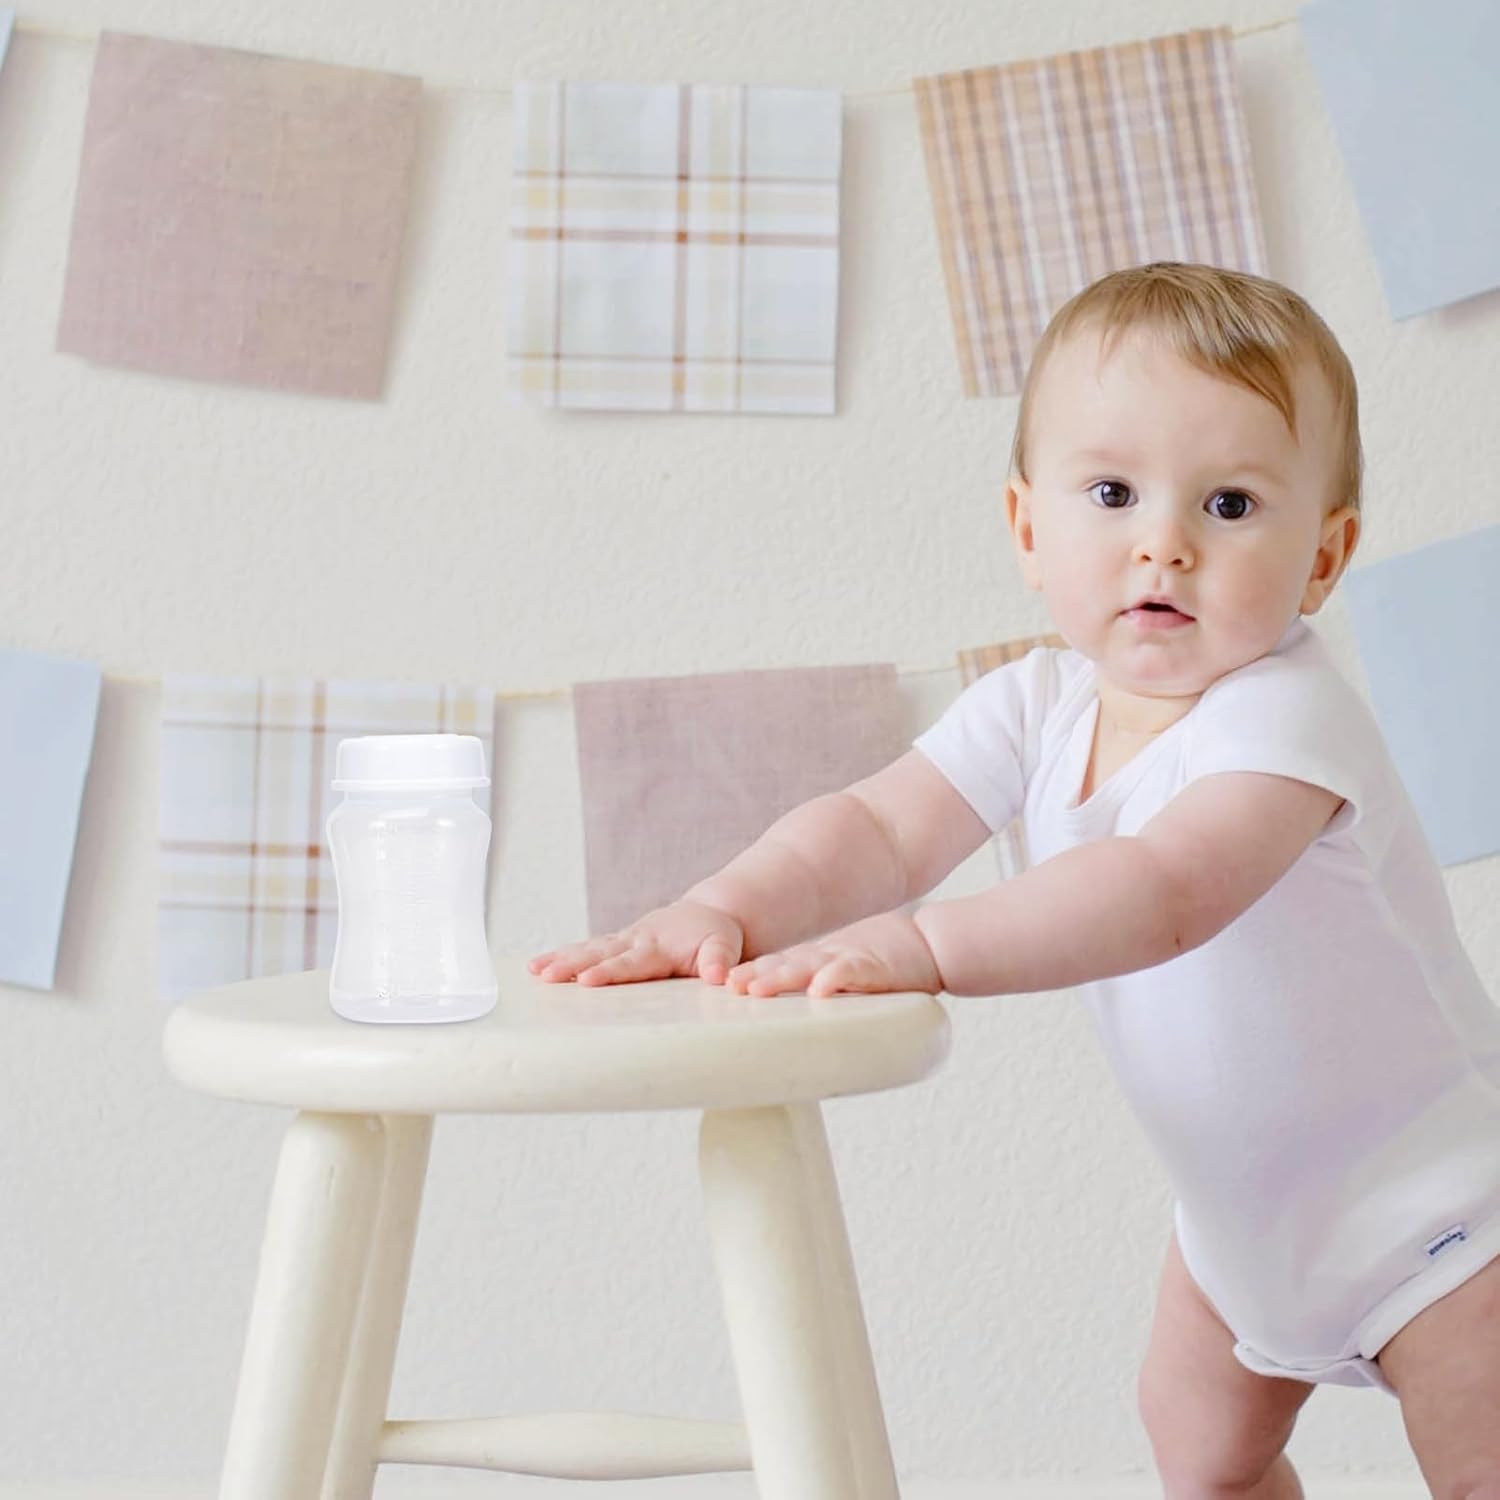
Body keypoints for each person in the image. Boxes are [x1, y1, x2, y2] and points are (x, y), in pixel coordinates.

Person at [529, 262, 1500, 1498]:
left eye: (1234, 504)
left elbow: (1161, 892)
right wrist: (726, 906)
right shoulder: (1035, 706)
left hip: (1442, 1210)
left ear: (1325, 555)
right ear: (1030, 529)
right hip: (1244, 1231)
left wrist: (925, 947)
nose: (1166, 542)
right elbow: (875, 829)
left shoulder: (1290, 723)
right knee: (1202, 1458)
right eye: (1112, 493)